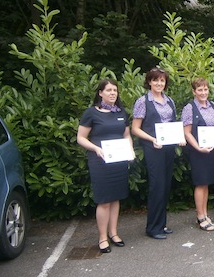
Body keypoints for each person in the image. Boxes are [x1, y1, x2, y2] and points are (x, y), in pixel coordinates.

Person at [77, 79, 134, 253]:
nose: (112, 93)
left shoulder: (121, 113)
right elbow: (80, 138)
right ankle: (102, 238)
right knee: (104, 200)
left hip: (118, 160)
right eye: (108, 90)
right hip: (100, 161)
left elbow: (126, 135)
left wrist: (130, 150)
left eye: (115, 90)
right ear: (100, 93)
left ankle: (114, 233)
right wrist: (96, 148)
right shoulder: (91, 113)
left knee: (116, 198)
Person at [132, 67, 186, 239]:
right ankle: (153, 228)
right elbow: (135, 129)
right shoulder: (143, 101)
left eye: (162, 80)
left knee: (165, 186)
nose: (159, 83)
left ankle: (161, 225)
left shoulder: (169, 100)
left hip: (168, 148)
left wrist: (179, 137)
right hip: (153, 148)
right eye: (155, 80)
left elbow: (171, 125)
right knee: (156, 186)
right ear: (149, 81)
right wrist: (151, 139)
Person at [182, 78, 214, 231]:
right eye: (200, 90)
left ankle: (205, 214)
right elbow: (187, 133)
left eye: (205, 89)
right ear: (194, 92)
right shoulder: (189, 108)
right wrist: (198, 148)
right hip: (198, 152)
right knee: (200, 183)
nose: (203, 92)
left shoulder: (213, 106)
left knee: (206, 183)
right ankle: (200, 216)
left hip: (211, 151)